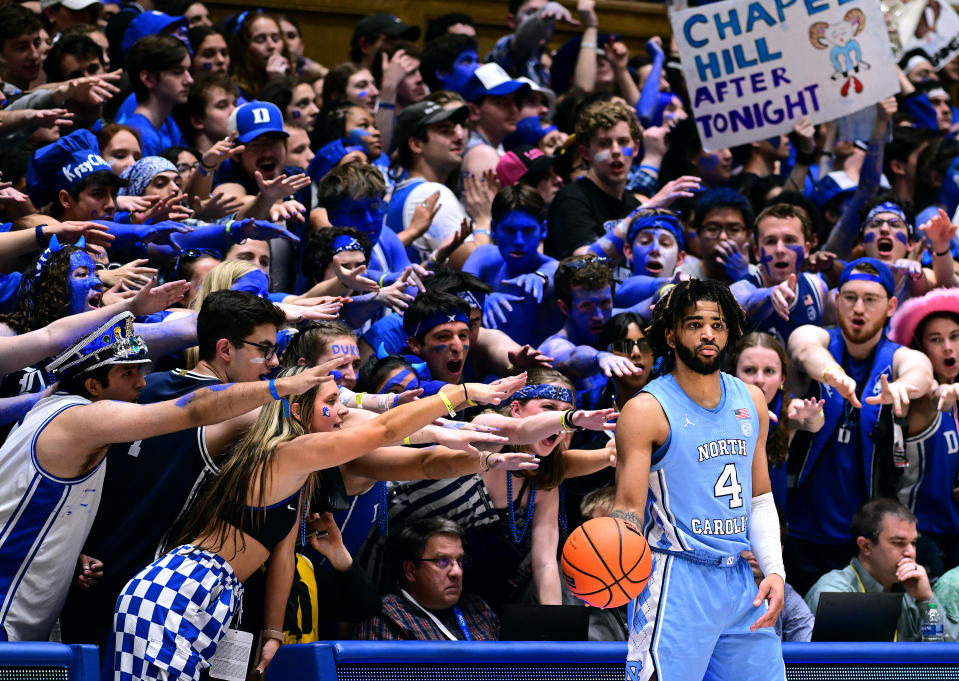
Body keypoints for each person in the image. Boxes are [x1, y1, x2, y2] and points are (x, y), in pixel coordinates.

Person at [109, 367, 521, 679]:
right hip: (179, 589)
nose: (342, 410)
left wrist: (273, 631)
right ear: (296, 409)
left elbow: (283, 557)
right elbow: (385, 428)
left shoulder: (302, 475)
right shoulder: (285, 453)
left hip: (221, 595)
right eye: (331, 400)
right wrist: (459, 395)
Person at [0, 308, 326, 642]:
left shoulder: (53, 409)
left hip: (30, 613)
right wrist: (282, 387)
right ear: (93, 385)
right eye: (128, 374)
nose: (142, 382)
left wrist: (73, 552)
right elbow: (196, 408)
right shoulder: (81, 420)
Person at [59, 290, 289, 650]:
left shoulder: (140, 386)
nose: (273, 362)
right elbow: (315, 417)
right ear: (226, 349)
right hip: (152, 602)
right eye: (264, 349)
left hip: (84, 579)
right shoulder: (237, 413)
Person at [612, 278, 786, 681]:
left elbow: (760, 498)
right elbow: (628, 510)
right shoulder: (645, 410)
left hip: (741, 579)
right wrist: (614, 556)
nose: (708, 333)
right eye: (694, 324)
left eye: (718, 324)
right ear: (671, 335)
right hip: (674, 577)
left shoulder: (752, 400)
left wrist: (774, 569)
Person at [786, 258, 935, 595]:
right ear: (837, 300)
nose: (858, 308)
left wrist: (904, 387)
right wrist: (833, 375)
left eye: (871, 299)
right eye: (850, 297)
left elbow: (921, 369)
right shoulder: (821, 340)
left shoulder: (897, 358)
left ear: (891, 306)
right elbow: (802, 346)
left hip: (867, 546)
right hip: (801, 532)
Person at [805, 499, 959, 642]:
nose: (910, 552)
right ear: (865, 546)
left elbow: (941, 649)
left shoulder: (913, 592)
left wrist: (927, 600)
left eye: (913, 543)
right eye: (899, 543)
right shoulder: (833, 593)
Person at [888, 288, 959, 577]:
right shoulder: (922, 398)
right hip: (923, 535)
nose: (948, 348)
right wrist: (943, 391)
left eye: (955, 336)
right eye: (936, 339)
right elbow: (932, 393)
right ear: (921, 347)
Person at [355, 517, 499, 640]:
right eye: (442, 561)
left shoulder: (478, 608)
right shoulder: (387, 617)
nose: (457, 572)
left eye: (460, 561)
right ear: (411, 571)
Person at [463, 184, 561, 346]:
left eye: (528, 231)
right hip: (487, 367)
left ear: (543, 229)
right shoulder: (484, 256)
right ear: (494, 229)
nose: (518, 241)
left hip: (543, 368)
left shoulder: (553, 267)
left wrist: (539, 279)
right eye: (509, 230)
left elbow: (553, 274)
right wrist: (478, 300)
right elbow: (457, 290)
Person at [544, 99, 642, 259]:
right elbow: (585, 263)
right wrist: (651, 207)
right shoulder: (571, 199)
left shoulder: (634, 205)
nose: (616, 151)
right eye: (604, 144)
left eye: (623, 142)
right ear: (585, 153)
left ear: (636, 148)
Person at [540, 255, 639, 409]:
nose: (599, 316)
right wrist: (599, 357)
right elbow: (572, 358)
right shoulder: (553, 347)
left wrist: (667, 290)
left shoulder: (615, 319)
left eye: (605, 303)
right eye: (586, 306)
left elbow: (649, 305)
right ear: (564, 308)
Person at [118, 35, 192, 156]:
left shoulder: (166, 122)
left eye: (189, 71)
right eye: (177, 72)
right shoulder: (142, 136)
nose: (189, 80)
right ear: (148, 78)